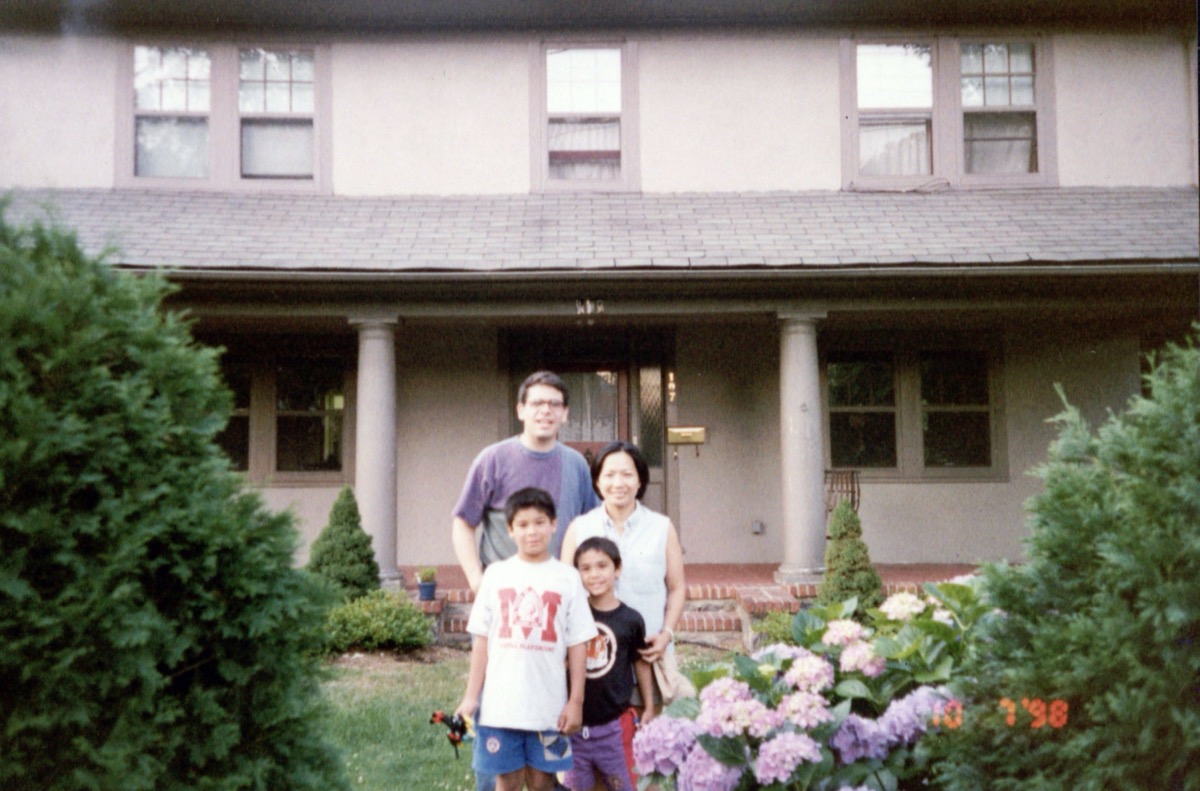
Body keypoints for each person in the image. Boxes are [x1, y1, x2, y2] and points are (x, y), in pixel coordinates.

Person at [455, 488, 598, 791]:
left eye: (539, 522)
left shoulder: (567, 578)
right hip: (500, 708)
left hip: (549, 710)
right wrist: (471, 697)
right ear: (510, 529)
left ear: (553, 524)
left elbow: (578, 644)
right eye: (522, 524)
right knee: (506, 782)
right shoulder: (495, 575)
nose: (532, 531)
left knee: (542, 781)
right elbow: (481, 641)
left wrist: (576, 702)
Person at [452, 370, 600, 594]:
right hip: (505, 594)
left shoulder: (576, 464)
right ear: (521, 410)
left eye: (555, 404)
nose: (546, 410)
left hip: (559, 594)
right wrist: (476, 580)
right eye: (537, 403)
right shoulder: (493, 459)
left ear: (565, 413)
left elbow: (592, 526)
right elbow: (463, 524)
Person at [560, 441, 685, 666]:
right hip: (594, 660)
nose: (618, 483)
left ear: (640, 480)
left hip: (649, 654)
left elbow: (677, 588)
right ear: (597, 481)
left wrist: (666, 634)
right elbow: (565, 593)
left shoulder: (662, 528)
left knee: (650, 703)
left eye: (627, 474)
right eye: (609, 475)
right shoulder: (579, 529)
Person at [564, 537, 656, 791]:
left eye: (602, 566)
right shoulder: (572, 614)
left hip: (613, 729)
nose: (594, 574)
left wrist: (648, 705)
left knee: (626, 785)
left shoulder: (630, 619)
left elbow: (641, 663)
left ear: (618, 569)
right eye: (586, 568)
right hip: (575, 730)